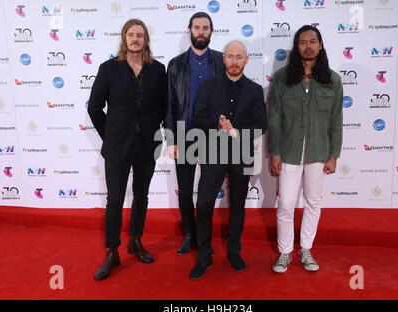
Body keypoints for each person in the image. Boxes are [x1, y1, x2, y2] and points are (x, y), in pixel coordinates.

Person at [88, 19, 167, 280]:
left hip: (147, 144)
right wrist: (109, 135)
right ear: (124, 38)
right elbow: (94, 107)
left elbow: (164, 108)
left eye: (140, 35)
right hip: (118, 146)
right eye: (131, 35)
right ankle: (112, 251)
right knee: (115, 200)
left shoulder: (158, 70)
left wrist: (167, 138)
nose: (135, 39)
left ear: (146, 39)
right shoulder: (109, 68)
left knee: (142, 196)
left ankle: (136, 240)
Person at [267, 25, 343, 273]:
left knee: (313, 202)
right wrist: (274, 153)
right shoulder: (282, 79)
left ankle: (306, 249)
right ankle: (285, 252)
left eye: (313, 41)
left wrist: (333, 155)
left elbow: (335, 120)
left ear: (320, 46)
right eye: (302, 42)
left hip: (318, 153)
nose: (308, 46)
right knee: (286, 204)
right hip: (288, 152)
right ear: (296, 47)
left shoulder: (333, 80)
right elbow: (274, 119)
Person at [189, 41, 267, 279]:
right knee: (203, 204)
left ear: (246, 60)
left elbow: (261, 125)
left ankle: (234, 251)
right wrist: (217, 124)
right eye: (230, 57)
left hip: (241, 153)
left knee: (237, 206)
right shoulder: (208, 86)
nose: (234, 61)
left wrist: (235, 130)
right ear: (223, 59)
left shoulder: (255, 90)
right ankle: (204, 255)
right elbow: (197, 119)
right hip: (213, 152)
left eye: (239, 57)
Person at [165, 12, 225, 255]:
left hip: (214, 138)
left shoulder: (221, 61)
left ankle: (204, 236)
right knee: (186, 190)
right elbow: (168, 104)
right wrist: (170, 139)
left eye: (206, 28)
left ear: (211, 32)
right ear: (189, 30)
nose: (201, 31)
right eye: (197, 27)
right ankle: (189, 234)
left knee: (208, 192)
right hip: (184, 135)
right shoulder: (175, 64)